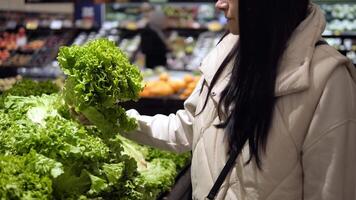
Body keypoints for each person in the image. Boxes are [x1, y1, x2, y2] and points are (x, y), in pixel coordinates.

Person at [123, 0, 356, 199]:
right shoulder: (228, 50)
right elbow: (188, 129)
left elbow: (332, 190)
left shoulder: (328, 80)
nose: (219, 3)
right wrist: (115, 120)